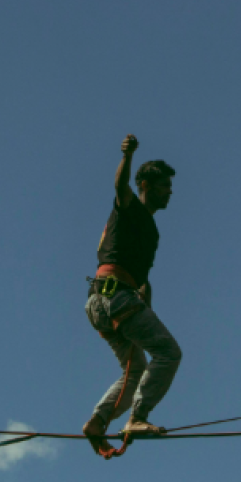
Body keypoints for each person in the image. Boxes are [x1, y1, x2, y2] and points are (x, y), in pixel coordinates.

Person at [82, 134, 181, 457]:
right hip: (115, 298)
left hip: (101, 303)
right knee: (168, 353)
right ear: (148, 186)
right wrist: (128, 155)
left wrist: (145, 309)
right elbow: (120, 186)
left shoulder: (150, 230)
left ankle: (98, 422)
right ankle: (138, 417)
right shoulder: (129, 207)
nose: (170, 191)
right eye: (165, 185)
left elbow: (144, 282)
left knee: (135, 370)